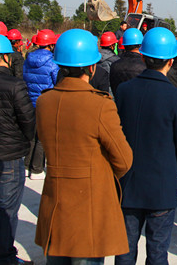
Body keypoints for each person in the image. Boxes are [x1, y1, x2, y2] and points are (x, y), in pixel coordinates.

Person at [35, 29, 133, 264]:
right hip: (89, 211)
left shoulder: (44, 101)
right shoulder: (100, 105)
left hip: (55, 208)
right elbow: (124, 160)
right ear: (91, 67)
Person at [114, 27, 177, 265]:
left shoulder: (124, 91)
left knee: (124, 251)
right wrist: (172, 168)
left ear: (143, 56)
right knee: (158, 253)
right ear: (170, 60)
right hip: (161, 187)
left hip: (128, 185)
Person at [0, 34, 36, 265]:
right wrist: (24, 141)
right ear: (6, 56)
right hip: (10, 157)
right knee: (7, 209)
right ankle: (4, 257)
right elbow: (28, 120)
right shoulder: (15, 85)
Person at [23, 29, 58, 179]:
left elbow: (24, 77)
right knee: (42, 137)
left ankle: (26, 165)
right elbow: (56, 81)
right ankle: (37, 169)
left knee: (31, 135)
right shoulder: (52, 62)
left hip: (30, 101)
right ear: (51, 45)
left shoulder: (28, 59)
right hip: (46, 102)